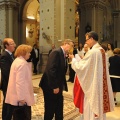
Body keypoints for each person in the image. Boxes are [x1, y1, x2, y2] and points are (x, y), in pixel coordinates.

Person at [69, 31, 114, 120]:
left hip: (93, 87)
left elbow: (81, 67)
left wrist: (73, 60)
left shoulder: (93, 52)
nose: (86, 42)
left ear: (92, 39)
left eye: (87, 40)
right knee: (99, 108)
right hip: (100, 85)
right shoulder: (101, 51)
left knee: (90, 109)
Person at [39, 39, 74, 120]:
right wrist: (54, 86)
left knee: (59, 108)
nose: (72, 48)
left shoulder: (63, 53)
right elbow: (51, 70)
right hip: (50, 86)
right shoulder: (56, 52)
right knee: (50, 109)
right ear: (66, 44)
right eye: (71, 46)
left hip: (58, 85)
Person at [5, 44, 35, 119]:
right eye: (28, 52)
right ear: (23, 53)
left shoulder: (17, 61)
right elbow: (20, 82)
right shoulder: (22, 63)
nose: (30, 54)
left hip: (16, 95)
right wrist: (21, 98)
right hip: (21, 97)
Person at [0, 38, 16, 120]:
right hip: (7, 84)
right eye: (12, 43)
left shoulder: (11, 55)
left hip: (11, 84)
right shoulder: (4, 56)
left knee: (10, 105)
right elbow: (6, 73)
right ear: (6, 45)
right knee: (7, 105)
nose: (14, 45)